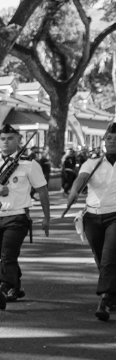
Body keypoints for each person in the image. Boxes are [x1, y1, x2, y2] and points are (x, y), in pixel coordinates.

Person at [0, 124, 50, 310]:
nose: (6, 142)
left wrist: (47, 218)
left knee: (7, 255)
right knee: (5, 256)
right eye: (3, 139)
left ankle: (3, 288)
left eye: (10, 138)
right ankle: (17, 287)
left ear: (18, 141)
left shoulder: (29, 165)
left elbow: (43, 191)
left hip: (17, 217)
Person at [63, 122, 116, 320]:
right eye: (109, 139)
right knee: (101, 258)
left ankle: (104, 300)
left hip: (115, 216)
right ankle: (112, 294)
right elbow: (82, 178)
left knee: (110, 257)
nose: (112, 143)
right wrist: (75, 190)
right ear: (103, 141)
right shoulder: (92, 163)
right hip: (93, 217)